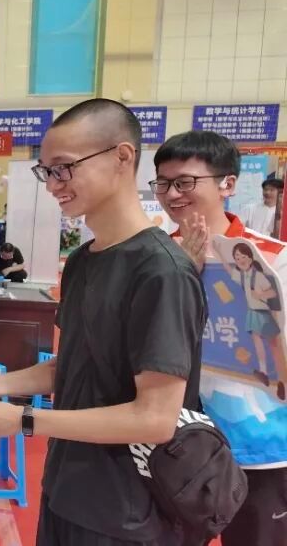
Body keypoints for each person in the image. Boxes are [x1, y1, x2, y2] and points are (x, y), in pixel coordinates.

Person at [0, 99, 206, 545]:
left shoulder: (162, 271)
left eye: (64, 168)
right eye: (46, 171)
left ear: (121, 157)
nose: (53, 185)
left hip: (129, 514)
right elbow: (72, 364)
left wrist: (25, 421)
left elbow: (155, 418)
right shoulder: (84, 260)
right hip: (66, 491)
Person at [152, 129, 287, 546]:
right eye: (163, 183)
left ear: (228, 184)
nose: (172, 194)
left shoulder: (274, 258)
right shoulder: (153, 256)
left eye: (185, 182)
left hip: (261, 448)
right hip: (176, 443)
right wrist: (179, 278)